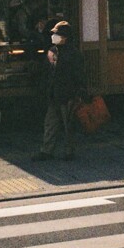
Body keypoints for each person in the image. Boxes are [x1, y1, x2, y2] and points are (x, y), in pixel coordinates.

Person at [32, 20, 87, 161]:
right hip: (54, 93)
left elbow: (79, 75)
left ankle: (68, 151)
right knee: (50, 123)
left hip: (68, 94)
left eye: (57, 34)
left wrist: (79, 93)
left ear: (65, 37)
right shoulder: (53, 51)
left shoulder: (73, 54)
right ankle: (47, 150)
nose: (54, 37)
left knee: (68, 125)